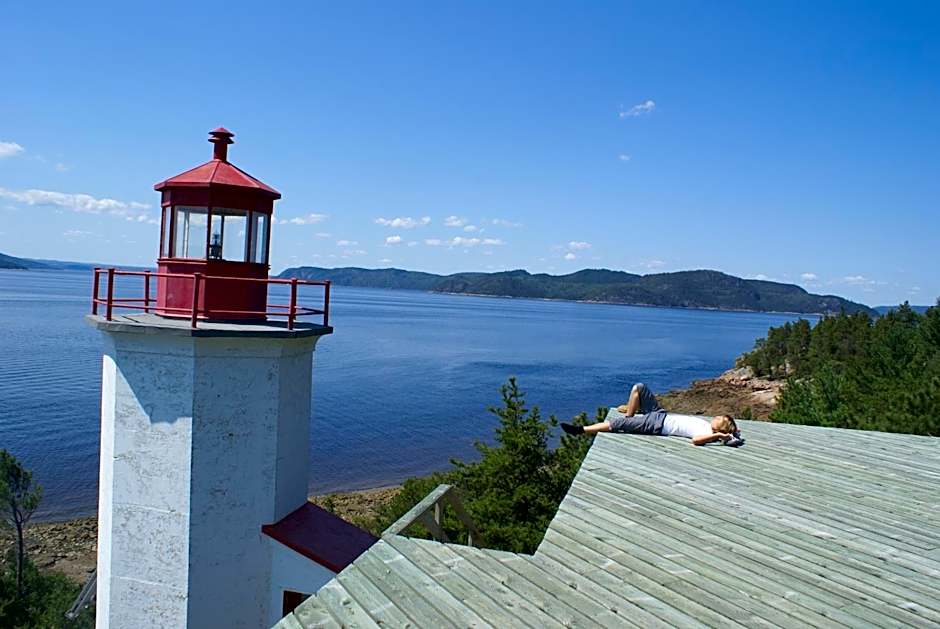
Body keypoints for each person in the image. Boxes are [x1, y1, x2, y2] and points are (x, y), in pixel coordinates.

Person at [561, 383, 744, 447]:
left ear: (719, 429)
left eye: (720, 419)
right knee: (639, 388)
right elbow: (733, 433)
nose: (717, 417)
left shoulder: (708, 435)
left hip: (656, 425)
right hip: (660, 414)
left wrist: (719, 436)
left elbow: (695, 441)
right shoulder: (711, 429)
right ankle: (630, 416)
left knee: (615, 424)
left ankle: (581, 430)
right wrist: (734, 431)